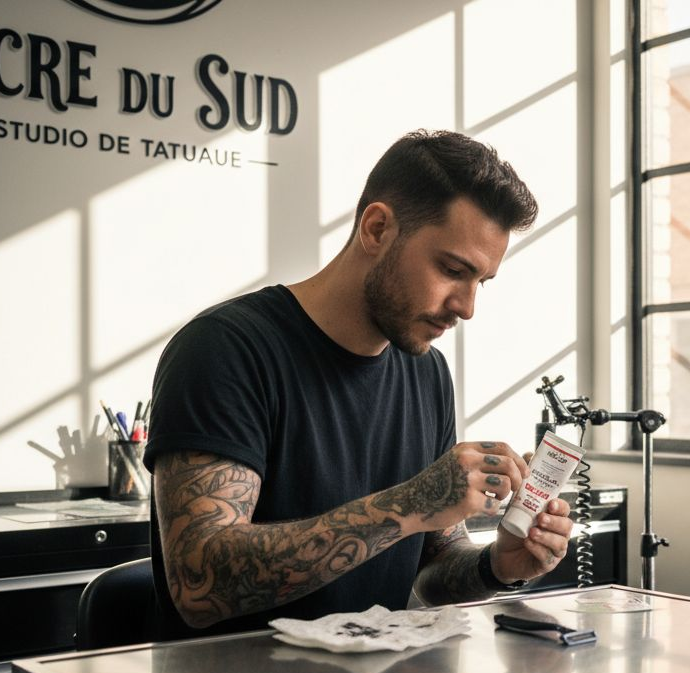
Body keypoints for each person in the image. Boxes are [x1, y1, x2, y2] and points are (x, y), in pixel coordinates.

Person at [143, 130, 574, 639]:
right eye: (453, 270)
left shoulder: (427, 372)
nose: (467, 306)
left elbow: (431, 572)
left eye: (480, 282)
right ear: (376, 228)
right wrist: (412, 503)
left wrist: (496, 566)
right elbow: (200, 584)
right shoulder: (225, 350)